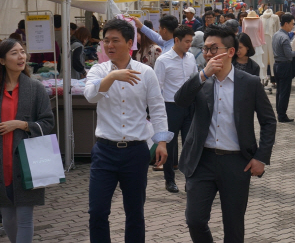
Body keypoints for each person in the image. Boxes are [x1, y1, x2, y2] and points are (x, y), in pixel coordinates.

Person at [175, 25, 276, 243]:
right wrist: (203, 75)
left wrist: (261, 157)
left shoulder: (249, 83)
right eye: (205, 49)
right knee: (195, 220)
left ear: (230, 51)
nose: (208, 53)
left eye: (214, 48)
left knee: (233, 224)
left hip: (236, 163)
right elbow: (179, 100)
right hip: (202, 160)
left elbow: (268, 121)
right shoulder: (200, 81)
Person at [84, 19, 173, 243]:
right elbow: (91, 95)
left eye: (115, 40)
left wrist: (161, 142)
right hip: (104, 151)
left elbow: (157, 109)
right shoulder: (98, 70)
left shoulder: (146, 73)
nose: (109, 45)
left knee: (135, 212)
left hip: (135, 152)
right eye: (106, 41)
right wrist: (113, 76)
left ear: (130, 43)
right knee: (97, 211)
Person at [0, 39, 54, 243]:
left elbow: (48, 123)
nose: (21, 56)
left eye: (22, 52)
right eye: (14, 53)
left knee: (24, 218)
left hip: (27, 161)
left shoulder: (35, 88)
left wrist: (20, 125)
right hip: (1, 162)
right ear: (2, 60)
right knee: (7, 218)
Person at [154, 25, 197, 193]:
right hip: (170, 106)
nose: (189, 45)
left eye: (191, 41)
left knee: (189, 143)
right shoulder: (163, 60)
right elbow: (157, 87)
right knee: (169, 146)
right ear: (176, 40)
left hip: (189, 107)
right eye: (186, 41)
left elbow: (194, 81)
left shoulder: (191, 58)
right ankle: (169, 179)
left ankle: (189, 179)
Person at [272, 14, 295, 122]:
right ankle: (282, 115)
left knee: (279, 91)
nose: (292, 27)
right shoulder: (284, 37)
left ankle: (279, 113)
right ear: (286, 24)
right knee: (285, 92)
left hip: (276, 65)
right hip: (284, 65)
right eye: (291, 24)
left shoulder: (276, 35)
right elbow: (288, 54)